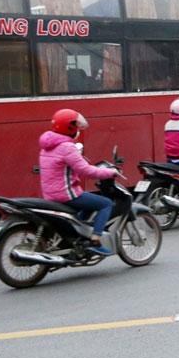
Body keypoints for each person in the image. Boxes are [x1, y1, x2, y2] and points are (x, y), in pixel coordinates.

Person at [40, 109, 119, 255]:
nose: (78, 129)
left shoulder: (47, 146)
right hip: (65, 195)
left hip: (51, 194)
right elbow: (86, 171)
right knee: (105, 204)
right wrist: (110, 172)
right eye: (76, 126)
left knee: (89, 203)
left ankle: (79, 234)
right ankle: (94, 240)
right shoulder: (67, 147)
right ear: (70, 127)